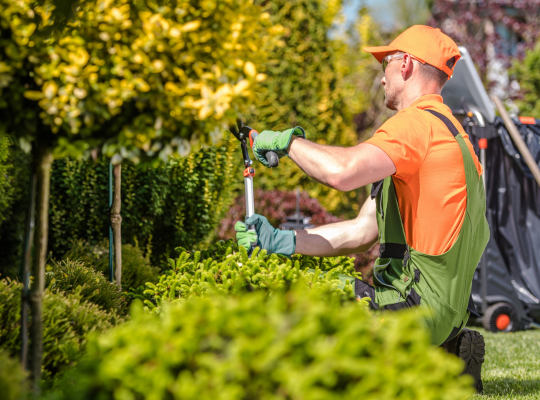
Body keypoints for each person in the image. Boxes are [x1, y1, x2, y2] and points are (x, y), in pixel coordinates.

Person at [235, 25, 489, 347]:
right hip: (446, 319)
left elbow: (341, 173)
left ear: (406, 64)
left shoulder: (416, 124)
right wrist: (278, 239)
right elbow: (361, 232)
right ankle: (446, 354)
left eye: (386, 65)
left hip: (411, 311)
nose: (383, 78)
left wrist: (287, 143)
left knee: (300, 295)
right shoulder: (455, 136)